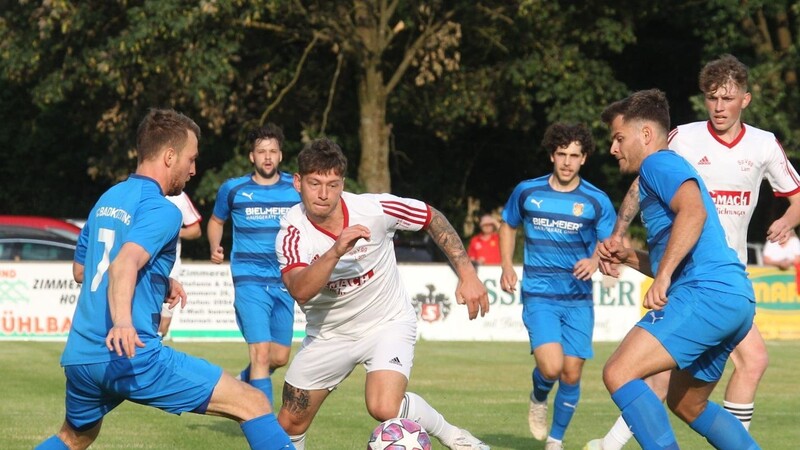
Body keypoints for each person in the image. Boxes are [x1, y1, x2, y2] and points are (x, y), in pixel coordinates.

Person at [36, 108, 293, 450]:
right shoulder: (163, 209)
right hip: (130, 353)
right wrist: (124, 323)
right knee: (254, 403)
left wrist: (159, 280)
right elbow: (124, 262)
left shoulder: (107, 200)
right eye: (191, 159)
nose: (193, 169)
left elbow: (83, 271)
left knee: (74, 438)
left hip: (81, 355)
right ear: (170, 156)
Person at [586, 54, 800, 450]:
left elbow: (695, 211)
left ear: (646, 134)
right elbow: (685, 246)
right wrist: (630, 258)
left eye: (619, 138)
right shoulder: (669, 164)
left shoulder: (659, 163)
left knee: (619, 371)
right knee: (687, 402)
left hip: (707, 294)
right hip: (734, 297)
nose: (614, 148)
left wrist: (664, 277)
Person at [275, 138, 491, 450]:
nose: (324, 194)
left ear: (343, 184)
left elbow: (431, 217)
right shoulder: (292, 232)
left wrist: (468, 274)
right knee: (289, 423)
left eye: (333, 185)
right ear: (298, 182)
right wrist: (336, 251)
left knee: (384, 407)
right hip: (329, 335)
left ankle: (454, 436)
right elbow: (300, 290)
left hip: (387, 323)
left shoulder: (374, 209)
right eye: (315, 183)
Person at [498, 123, 616, 450]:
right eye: (561, 154)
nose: (566, 162)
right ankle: (538, 396)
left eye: (574, 156)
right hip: (540, 295)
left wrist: (595, 261)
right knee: (551, 367)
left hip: (578, 299)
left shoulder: (596, 200)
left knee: (572, 374)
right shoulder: (528, 192)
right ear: (552, 155)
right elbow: (508, 225)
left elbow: (611, 243)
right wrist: (507, 266)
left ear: (584, 158)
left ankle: (555, 440)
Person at [207, 123, 301, 406]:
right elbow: (215, 221)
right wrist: (215, 246)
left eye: (273, 151)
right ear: (252, 156)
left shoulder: (295, 190)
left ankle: (243, 382)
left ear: (281, 155)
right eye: (261, 152)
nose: (267, 157)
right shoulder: (233, 189)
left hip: (285, 279)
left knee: (279, 357)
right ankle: (264, 426)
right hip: (249, 278)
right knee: (260, 353)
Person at [158, 190, 202, 338]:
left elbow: (195, 230)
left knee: (164, 322)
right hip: (143, 267)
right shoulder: (142, 192)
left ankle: (154, 352)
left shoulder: (179, 197)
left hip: (171, 269)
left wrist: (173, 231)